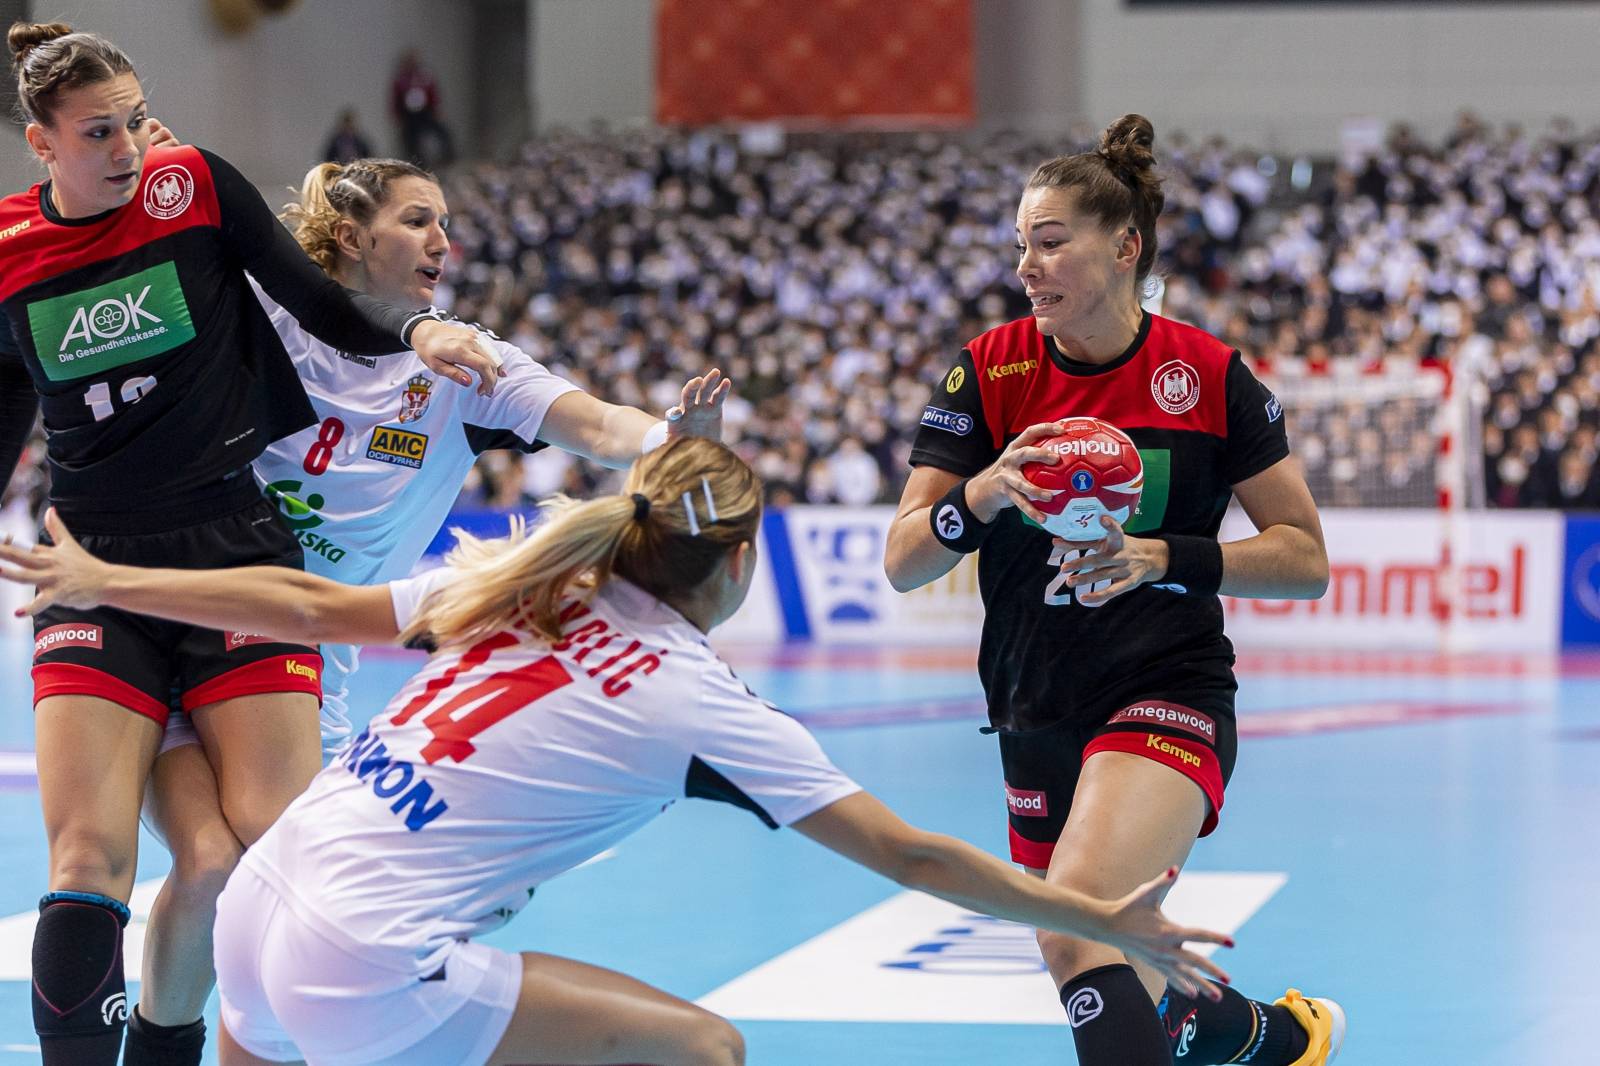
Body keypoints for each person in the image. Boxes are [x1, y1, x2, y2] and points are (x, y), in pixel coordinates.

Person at [0, 437, 1234, 1066]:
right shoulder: (698, 698)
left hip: (260, 917)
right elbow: (909, 852)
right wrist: (1105, 922)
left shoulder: (526, 585)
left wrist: (112, 581)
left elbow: (315, 609)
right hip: (362, 953)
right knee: (706, 1050)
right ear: (741, 564)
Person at [139, 154, 731, 1058]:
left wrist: (668, 440)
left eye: (445, 223)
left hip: (301, 666)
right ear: (351, 235)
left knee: (237, 878)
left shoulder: (461, 359)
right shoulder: (262, 320)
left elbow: (598, 425)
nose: (442, 241)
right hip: (181, 618)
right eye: (418, 220)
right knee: (224, 869)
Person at [0, 22, 499, 1066]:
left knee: (270, 851)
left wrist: (420, 332)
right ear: (41, 145)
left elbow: (325, 305)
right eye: (99, 132)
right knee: (87, 853)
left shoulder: (193, 187)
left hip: (237, 558)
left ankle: (188, 1042)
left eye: (136, 119)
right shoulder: (8, 254)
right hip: (93, 571)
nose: (130, 147)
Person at [885, 115, 1343, 1066]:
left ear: (1125, 246)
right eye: (1021, 246)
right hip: (1029, 699)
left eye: (1051, 243)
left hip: (1165, 685)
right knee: (1112, 960)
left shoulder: (1208, 375)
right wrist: (983, 491)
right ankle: (1266, 1037)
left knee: (1077, 924)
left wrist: (1163, 557)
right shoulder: (991, 369)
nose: (1028, 266)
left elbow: (1305, 557)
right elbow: (905, 559)